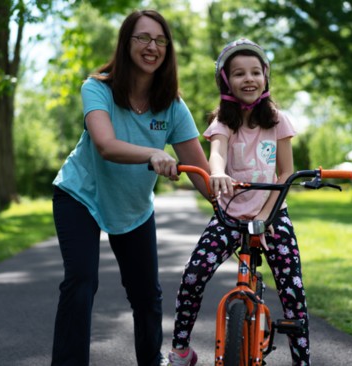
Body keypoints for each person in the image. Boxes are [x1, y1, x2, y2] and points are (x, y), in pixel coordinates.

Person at [50, 9, 209, 366]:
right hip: (81, 195)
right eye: (143, 38)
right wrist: (154, 153)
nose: (152, 47)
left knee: (146, 295)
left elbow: (201, 172)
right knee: (81, 281)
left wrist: (231, 209)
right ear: (126, 43)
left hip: (133, 206)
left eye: (160, 40)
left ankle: (150, 361)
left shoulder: (173, 106)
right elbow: (105, 145)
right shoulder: (97, 88)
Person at [167, 38, 310, 366]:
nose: (249, 79)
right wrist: (216, 174)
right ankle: (180, 350)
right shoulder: (223, 122)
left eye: (256, 72)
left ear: (265, 78)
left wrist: (263, 215)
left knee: (293, 291)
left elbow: (285, 173)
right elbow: (216, 154)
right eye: (239, 73)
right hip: (231, 215)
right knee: (193, 275)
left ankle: (303, 360)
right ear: (225, 81)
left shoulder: (277, 121)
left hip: (271, 215)